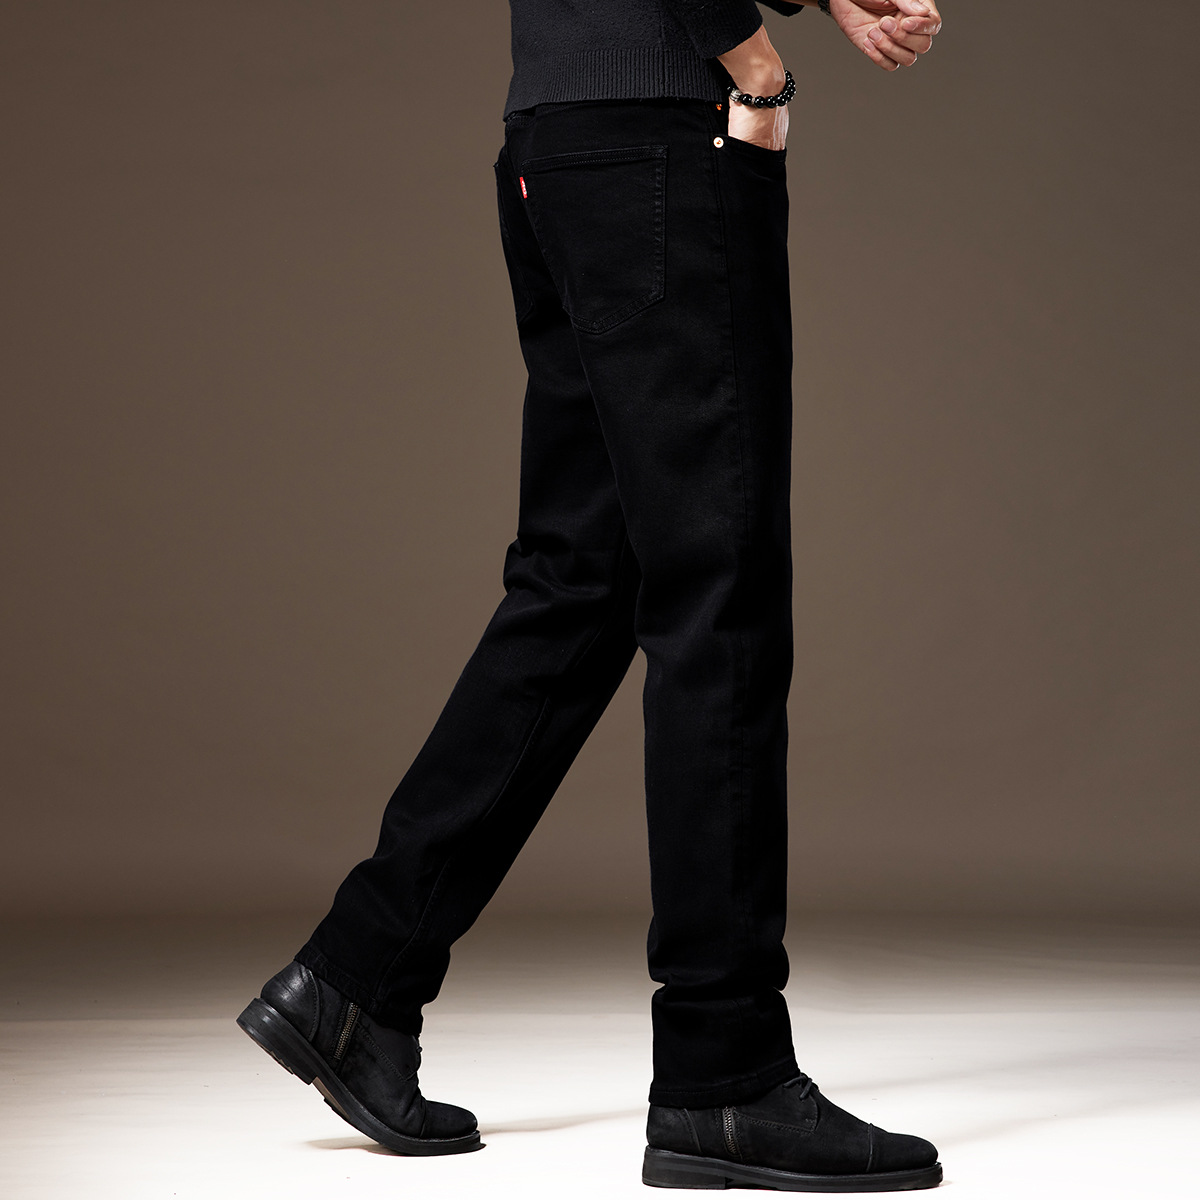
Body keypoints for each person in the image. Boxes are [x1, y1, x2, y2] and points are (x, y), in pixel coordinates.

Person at [237, 0, 946, 1190]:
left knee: (580, 582)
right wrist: (752, 65)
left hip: (562, 140)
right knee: (717, 598)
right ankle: (723, 1074)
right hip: (664, 140)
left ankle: (355, 982)